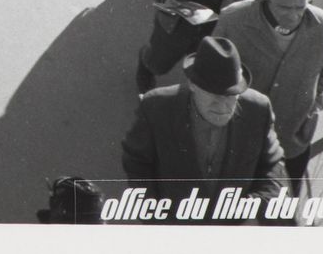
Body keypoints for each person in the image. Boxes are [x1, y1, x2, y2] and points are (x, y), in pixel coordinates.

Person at [120, 38, 286, 221]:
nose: (223, 105)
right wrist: (154, 217)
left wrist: (253, 206)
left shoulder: (258, 109)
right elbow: (137, 162)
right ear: (192, 84)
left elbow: (272, 165)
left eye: (231, 95)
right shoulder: (156, 107)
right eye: (213, 94)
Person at [217, 0, 323, 194]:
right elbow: (212, 74)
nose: (294, 16)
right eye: (284, 7)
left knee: (287, 199)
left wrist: (315, 105)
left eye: (301, 7)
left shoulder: (322, 26)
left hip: (293, 138)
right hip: (239, 137)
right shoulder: (233, 21)